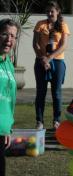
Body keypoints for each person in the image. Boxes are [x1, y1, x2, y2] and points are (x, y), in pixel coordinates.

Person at [33, 1, 70, 129]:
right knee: (41, 92)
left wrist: (49, 58)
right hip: (41, 62)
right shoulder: (40, 24)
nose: (49, 13)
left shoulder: (63, 25)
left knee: (57, 93)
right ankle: (39, 121)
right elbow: (35, 44)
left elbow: (63, 45)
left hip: (57, 62)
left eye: (52, 11)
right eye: (47, 11)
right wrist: (43, 58)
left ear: (57, 11)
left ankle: (56, 121)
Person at [0, 18, 19, 176]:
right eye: (5, 34)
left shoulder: (9, 66)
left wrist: (8, 128)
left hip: (2, 129)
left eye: (13, 36)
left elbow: (10, 99)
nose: (9, 39)